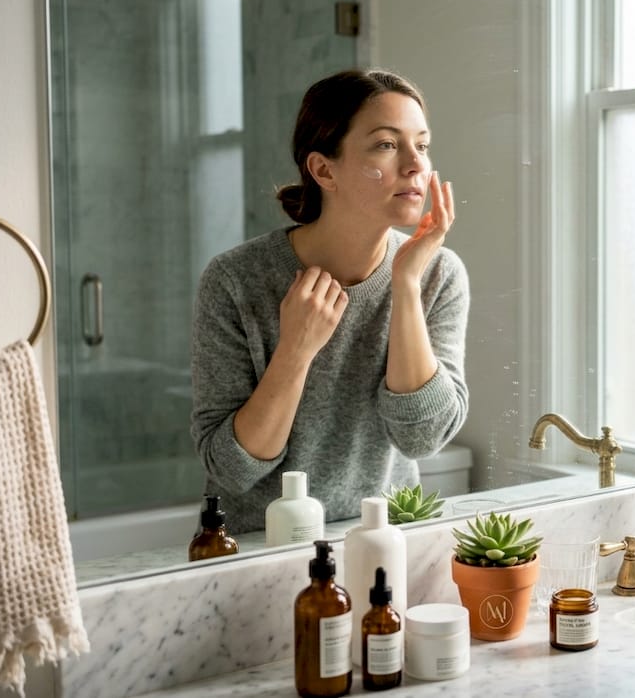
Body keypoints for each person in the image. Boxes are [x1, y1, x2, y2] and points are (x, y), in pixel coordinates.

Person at [190, 69, 469, 533]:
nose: (415, 164)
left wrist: (404, 284)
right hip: (258, 552)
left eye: (421, 144)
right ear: (323, 170)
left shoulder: (437, 272)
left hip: (382, 541)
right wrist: (296, 349)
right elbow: (232, 471)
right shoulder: (235, 281)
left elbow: (422, 438)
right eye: (386, 144)